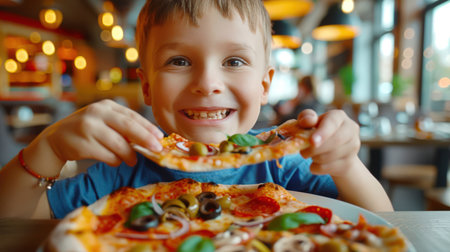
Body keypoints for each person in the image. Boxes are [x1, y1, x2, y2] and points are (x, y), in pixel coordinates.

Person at [0, 0, 393, 219]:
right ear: (148, 87)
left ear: (264, 86)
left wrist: (345, 164)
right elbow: (11, 222)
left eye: (235, 62)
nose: (207, 83)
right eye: (179, 61)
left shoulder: (286, 167)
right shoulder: (121, 171)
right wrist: (47, 150)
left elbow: (380, 222)